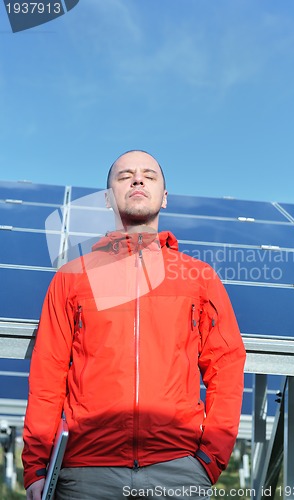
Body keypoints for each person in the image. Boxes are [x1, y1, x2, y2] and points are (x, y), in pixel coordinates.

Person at [22, 150, 246, 500]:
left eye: (149, 175)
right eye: (125, 175)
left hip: (179, 469)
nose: (137, 180)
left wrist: (208, 459)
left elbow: (227, 366)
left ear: (164, 197)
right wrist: (37, 466)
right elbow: (47, 374)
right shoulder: (72, 278)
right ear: (109, 198)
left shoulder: (199, 278)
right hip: (85, 474)